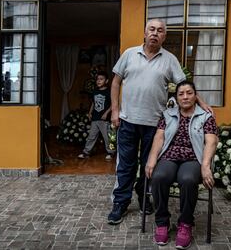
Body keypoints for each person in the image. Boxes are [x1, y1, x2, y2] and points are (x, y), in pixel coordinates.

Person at [108, 18, 212, 225]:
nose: (155, 33)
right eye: (152, 29)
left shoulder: (170, 59)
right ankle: (120, 202)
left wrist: (200, 100)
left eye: (160, 31)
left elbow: (183, 84)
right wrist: (115, 111)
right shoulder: (129, 54)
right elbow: (116, 82)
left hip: (155, 124)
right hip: (128, 121)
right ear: (145, 33)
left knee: (149, 166)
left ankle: (144, 197)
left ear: (164, 36)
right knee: (125, 166)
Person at [145, 81, 218, 248]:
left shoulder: (205, 116)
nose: (185, 97)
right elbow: (159, 137)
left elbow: (211, 141)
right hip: (169, 157)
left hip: (193, 158)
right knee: (159, 176)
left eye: (189, 93)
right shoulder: (167, 114)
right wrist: (152, 159)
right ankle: (162, 222)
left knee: (187, 179)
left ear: (195, 95)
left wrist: (205, 166)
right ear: (176, 98)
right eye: (181, 94)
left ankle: (185, 224)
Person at [78, 71, 115, 160]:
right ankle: (86, 152)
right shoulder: (95, 91)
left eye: (101, 79)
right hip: (95, 117)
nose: (98, 81)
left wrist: (106, 113)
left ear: (106, 81)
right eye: (97, 79)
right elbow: (93, 103)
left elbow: (113, 104)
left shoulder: (108, 92)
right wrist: (90, 112)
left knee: (107, 137)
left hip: (104, 119)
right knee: (91, 136)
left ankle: (111, 153)